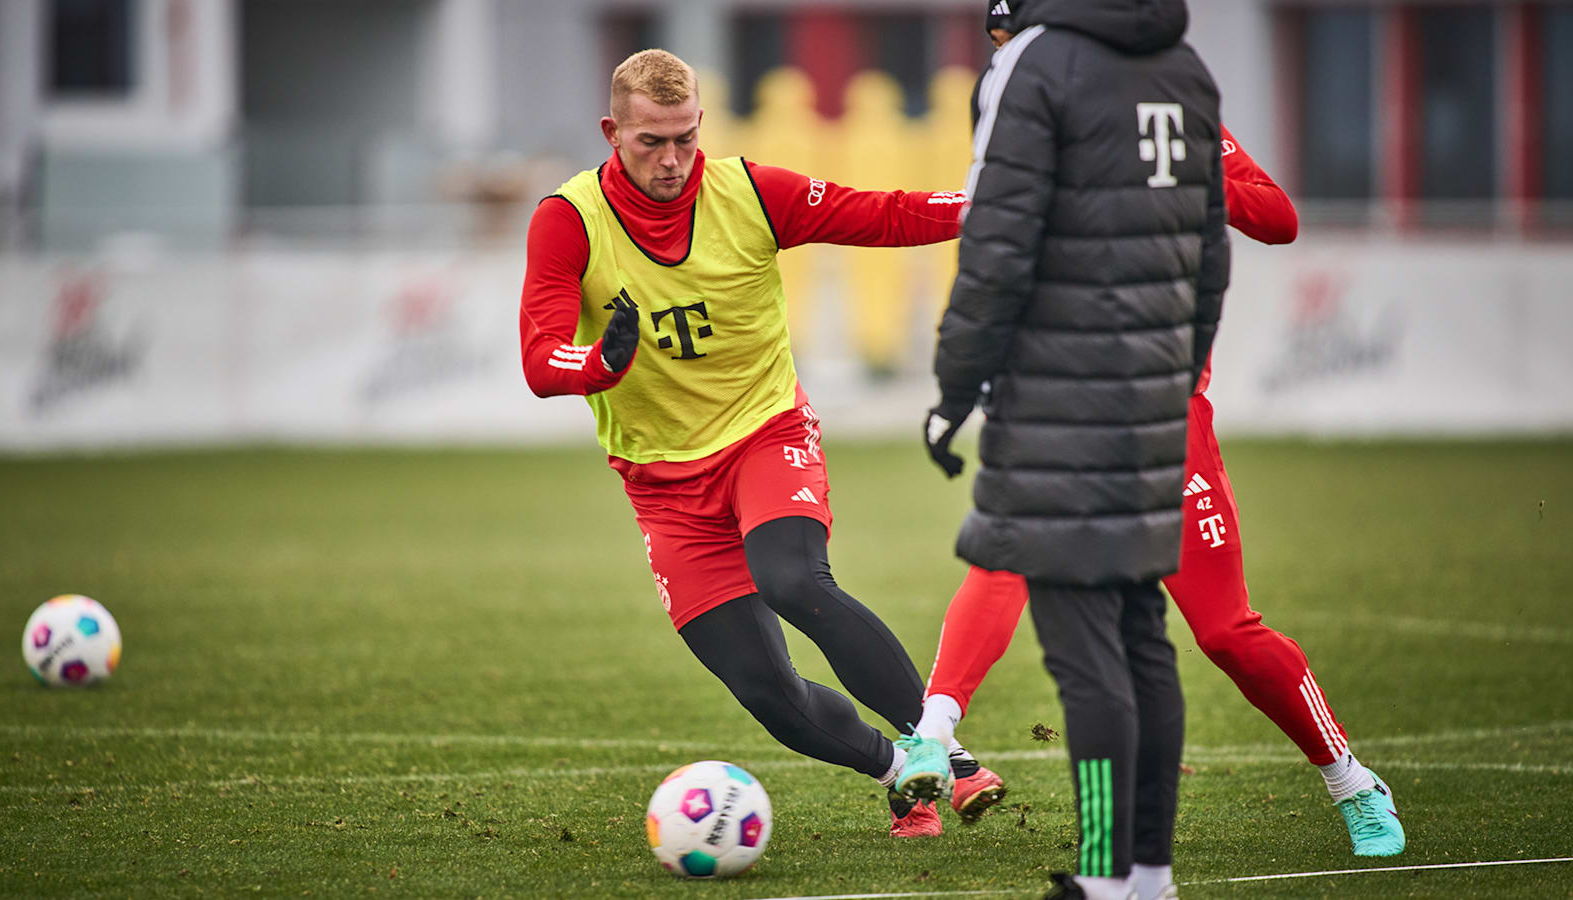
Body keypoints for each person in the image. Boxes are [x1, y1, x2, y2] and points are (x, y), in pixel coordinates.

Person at [914, 4, 1406, 886]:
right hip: (1064, 400)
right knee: (1023, 569)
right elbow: (1008, 242)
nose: (1008, 54)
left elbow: (1275, 219)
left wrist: (1175, 180)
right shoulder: (1032, 95)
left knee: (1213, 632)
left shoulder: (1168, 96)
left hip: (1160, 413)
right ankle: (938, 734)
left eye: (1009, 35)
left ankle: (1349, 780)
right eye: (996, 41)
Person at [517, 48, 1001, 839]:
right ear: (612, 132)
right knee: (767, 693)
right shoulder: (567, 221)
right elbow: (541, 357)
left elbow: (880, 212)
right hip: (664, 488)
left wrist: (995, 205)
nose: (673, 160)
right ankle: (899, 776)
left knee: (791, 578)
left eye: (686, 137)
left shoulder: (746, 190)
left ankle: (948, 755)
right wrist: (598, 364)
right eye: (651, 143)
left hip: (763, 436)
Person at [921, 0, 1229, 896]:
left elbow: (996, 243)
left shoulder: (1038, 63)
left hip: (1057, 406)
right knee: (1141, 638)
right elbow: (1212, 255)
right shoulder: (1188, 70)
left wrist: (954, 389)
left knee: (1086, 656)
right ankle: (1148, 878)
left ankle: (1103, 877)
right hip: (1153, 401)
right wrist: (1178, 371)